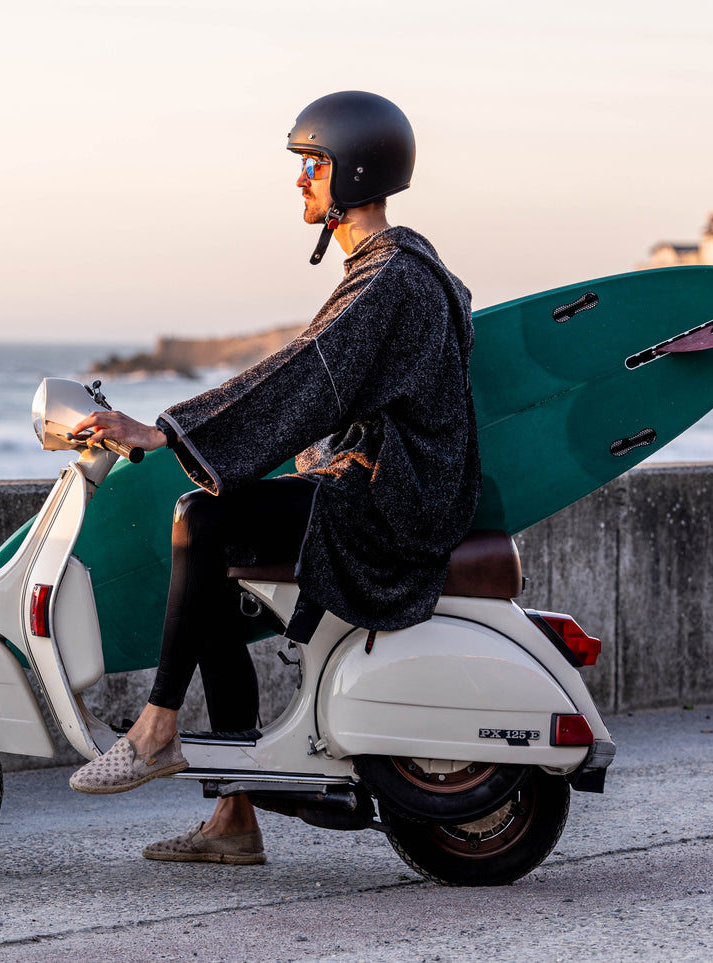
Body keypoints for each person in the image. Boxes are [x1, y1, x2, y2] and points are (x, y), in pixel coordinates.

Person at [66, 91, 480, 865]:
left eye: (312, 164)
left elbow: (301, 376)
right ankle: (233, 818)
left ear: (353, 171)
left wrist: (163, 431)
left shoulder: (388, 277)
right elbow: (323, 381)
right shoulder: (399, 267)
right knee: (213, 572)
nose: (300, 181)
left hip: (389, 506)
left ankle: (156, 727)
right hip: (393, 491)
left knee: (201, 513)